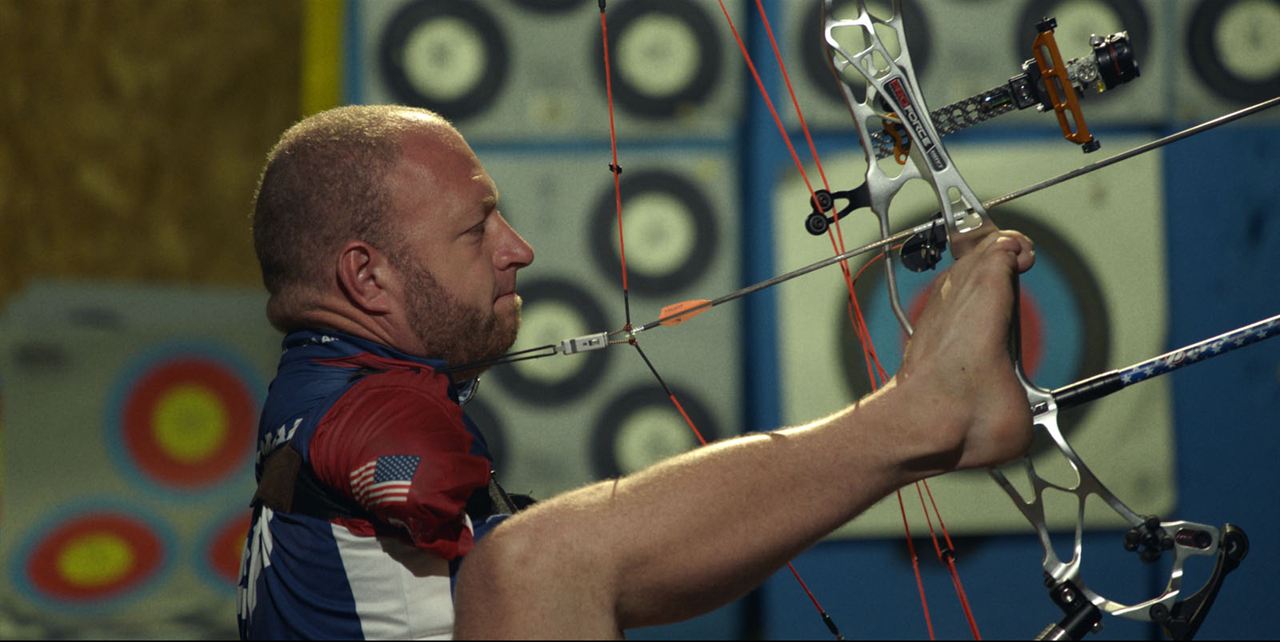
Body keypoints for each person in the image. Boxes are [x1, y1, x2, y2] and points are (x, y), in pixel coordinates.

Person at [237, 104, 1036, 640]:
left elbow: (622, 581)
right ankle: (926, 413)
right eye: (476, 228)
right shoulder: (358, 407)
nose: (518, 248)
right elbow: (407, 479)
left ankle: (931, 423)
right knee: (529, 557)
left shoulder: (315, 389)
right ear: (365, 277)